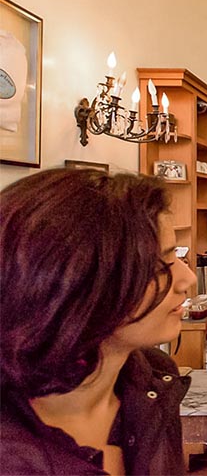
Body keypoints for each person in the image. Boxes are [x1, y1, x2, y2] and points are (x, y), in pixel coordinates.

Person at [0, 168, 196, 475]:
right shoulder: (14, 456)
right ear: (82, 287)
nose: (188, 279)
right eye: (163, 265)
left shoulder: (153, 382)